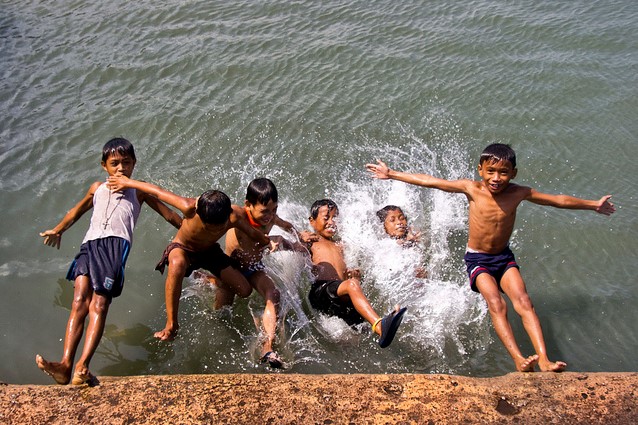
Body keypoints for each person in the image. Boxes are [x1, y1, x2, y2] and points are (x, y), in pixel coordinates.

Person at [366, 143, 616, 372]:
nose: (496, 178)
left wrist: (592, 204)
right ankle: (518, 359)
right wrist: (392, 174)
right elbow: (431, 181)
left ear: (513, 173)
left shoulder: (519, 193)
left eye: (503, 172)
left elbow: (558, 200)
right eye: (491, 171)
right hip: (478, 260)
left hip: (504, 258)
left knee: (525, 302)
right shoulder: (471, 189)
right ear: (480, 170)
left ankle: (544, 359)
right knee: (497, 304)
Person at [35, 138, 182, 385]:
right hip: (89, 244)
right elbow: (76, 211)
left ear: (134, 164)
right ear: (104, 166)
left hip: (114, 246)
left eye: (126, 162)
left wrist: (193, 235)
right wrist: (58, 229)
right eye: (115, 163)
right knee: (79, 300)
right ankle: (65, 365)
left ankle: (83, 366)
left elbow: (170, 215)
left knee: (99, 304)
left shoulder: (140, 190)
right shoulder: (97, 188)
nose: (121, 168)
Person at [105, 175, 272, 343]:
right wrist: (126, 182)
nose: (215, 232)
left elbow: (255, 234)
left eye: (220, 228)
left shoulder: (233, 217)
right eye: (209, 228)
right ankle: (171, 324)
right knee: (177, 264)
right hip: (183, 249)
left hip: (210, 252)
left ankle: (212, 280)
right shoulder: (189, 207)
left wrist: (272, 241)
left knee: (244, 290)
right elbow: (158, 191)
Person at [217, 177, 299, 368]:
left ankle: (267, 346)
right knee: (222, 315)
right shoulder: (238, 215)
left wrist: (299, 236)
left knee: (273, 293)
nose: (270, 216)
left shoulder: (271, 217)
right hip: (231, 270)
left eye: (274, 210)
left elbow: (287, 225)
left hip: (254, 269)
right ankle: (212, 281)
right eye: (264, 211)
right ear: (248, 205)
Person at [303, 199, 407, 348]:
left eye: (335, 218)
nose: (332, 222)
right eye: (326, 218)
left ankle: (382, 326)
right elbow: (294, 247)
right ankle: (379, 326)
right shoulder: (311, 241)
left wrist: (355, 275)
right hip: (321, 291)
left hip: (339, 294)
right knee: (351, 285)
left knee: (361, 329)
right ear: (312, 221)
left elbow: (345, 276)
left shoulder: (341, 245)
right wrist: (300, 237)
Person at [376, 205, 427, 278]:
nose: (399, 222)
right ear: (383, 226)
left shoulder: (412, 240)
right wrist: (408, 241)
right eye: (392, 220)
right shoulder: (382, 245)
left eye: (402, 218)